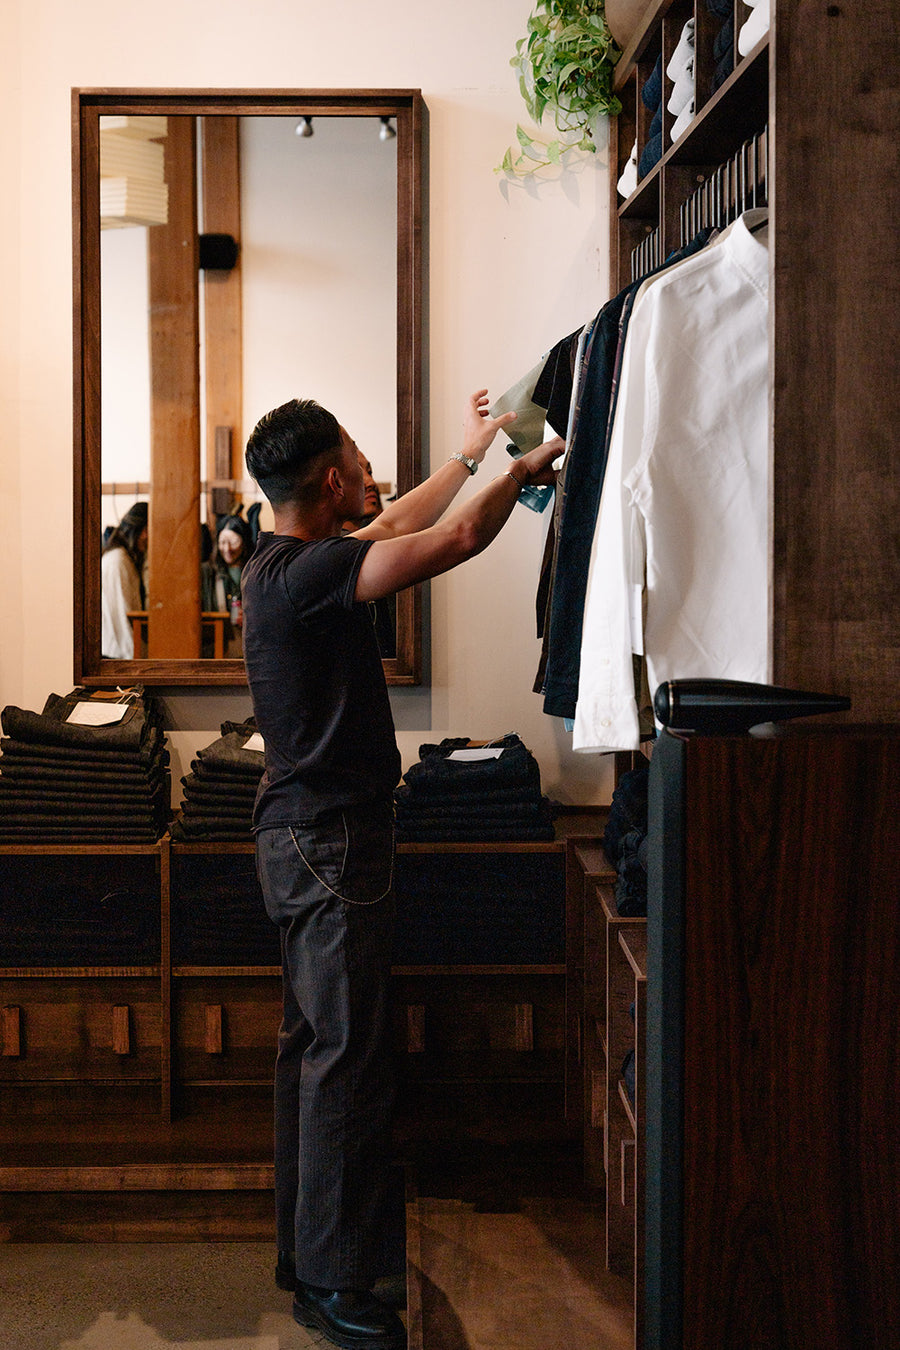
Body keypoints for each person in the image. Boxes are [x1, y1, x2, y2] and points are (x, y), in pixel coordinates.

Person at [241, 389, 562, 1350]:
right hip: (333, 844)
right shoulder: (311, 576)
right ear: (330, 476)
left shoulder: (279, 564)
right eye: (355, 450)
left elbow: (394, 523)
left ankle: (308, 1255)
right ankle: (336, 1283)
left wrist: (469, 455)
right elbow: (453, 544)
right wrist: (516, 470)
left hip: (299, 839)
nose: (366, 466)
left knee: (314, 1050)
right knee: (344, 1058)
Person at [201, 513, 256, 656]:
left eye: (233, 542)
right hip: (217, 647)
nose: (227, 549)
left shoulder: (255, 570)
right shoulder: (208, 572)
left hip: (249, 646)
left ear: (244, 542)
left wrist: (252, 616)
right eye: (222, 542)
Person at [101, 501, 148, 659]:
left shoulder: (123, 558)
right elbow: (120, 616)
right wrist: (134, 661)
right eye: (146, 530)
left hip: (120, 653)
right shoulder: (117, 560)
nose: (147, 537)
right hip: (118, 655)